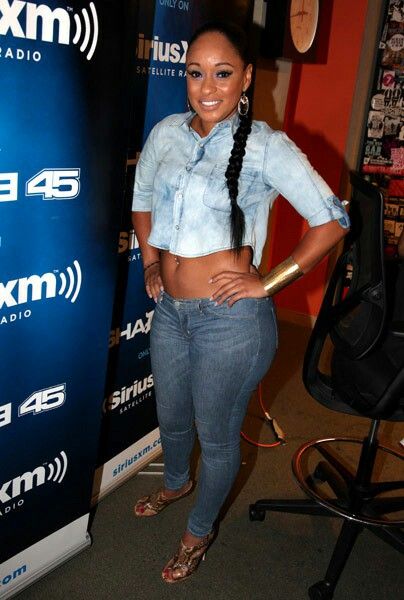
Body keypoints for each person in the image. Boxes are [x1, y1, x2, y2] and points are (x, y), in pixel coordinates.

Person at [131, 21, 350, 584]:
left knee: (218, 431)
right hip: (173, 314)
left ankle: (199, 532)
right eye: (195, 73)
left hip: (231, 323)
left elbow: (330, 222)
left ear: (247, 77)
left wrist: (268, 283)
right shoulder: (167, 134)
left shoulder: (265, 146)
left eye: (223, 73)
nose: (207, 86)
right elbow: (142, 199)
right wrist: (153, 262)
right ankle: (178, 482)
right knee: (171, 418)